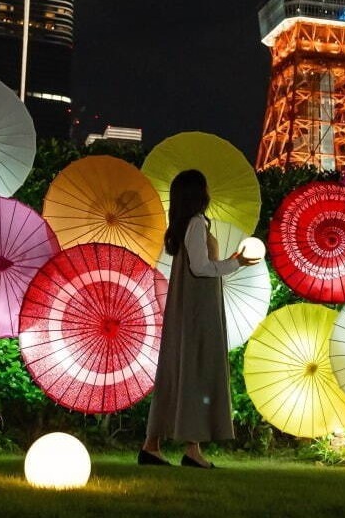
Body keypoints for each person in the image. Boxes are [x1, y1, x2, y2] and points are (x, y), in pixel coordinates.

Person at [140, 169, 260, 469]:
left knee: (182, 371)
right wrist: (236, 262)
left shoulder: (189, 226)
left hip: (191, 306)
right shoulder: (195, 224)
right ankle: (180, 449)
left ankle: (161, 447)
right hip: (198, 308)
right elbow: (202, 268)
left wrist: (229, 260)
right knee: (193, 370)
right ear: (198, 194)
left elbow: (199, 264)